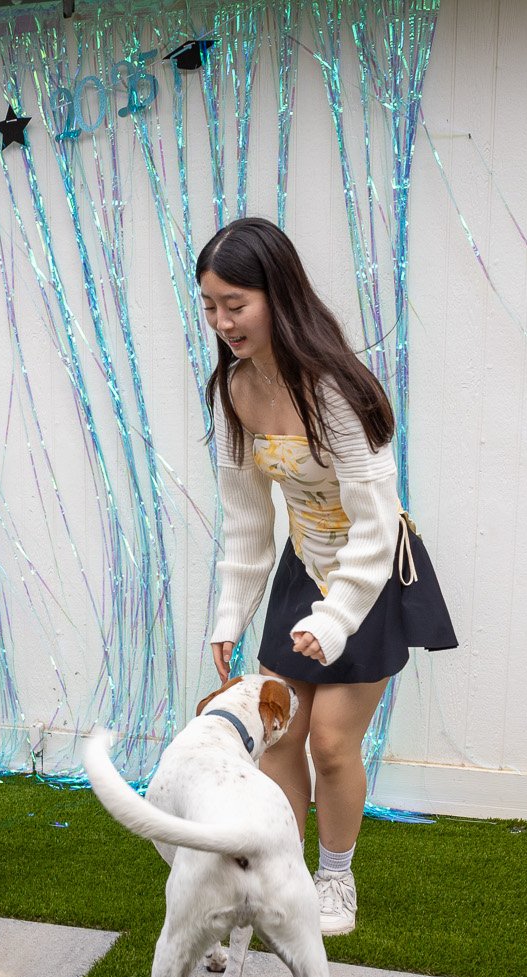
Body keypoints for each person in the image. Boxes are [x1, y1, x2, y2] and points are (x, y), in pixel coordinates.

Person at [197, 217, 458, 936]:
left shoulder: (335, 389)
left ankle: (335, 880)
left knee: (332, 742)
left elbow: (376, 525)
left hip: (369, 578)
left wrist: (336, 616)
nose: (223, 321)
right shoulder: (234, 393)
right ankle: (282, 875)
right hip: (302, 570)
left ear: (276, 294)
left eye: (235, 304)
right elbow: (248, 517)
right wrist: (231, 613)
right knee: (281, 737)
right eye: (211, 306)